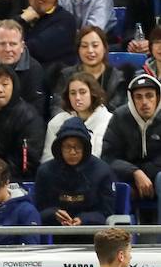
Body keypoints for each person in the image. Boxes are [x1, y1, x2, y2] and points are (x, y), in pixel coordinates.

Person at [35, 115, 115, 227]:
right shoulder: (45, 172)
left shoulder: (102, 171)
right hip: (54, 232)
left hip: (92, 232)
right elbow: (38, 209)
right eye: (67, 147)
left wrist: (84, 219)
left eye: (77, 147)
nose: (72, 152)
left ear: (85, 148)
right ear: (59, 148)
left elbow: (107, 211)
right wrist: (54, 214)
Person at [101, 74, 161, 203]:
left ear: (158, 97)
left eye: (149, 95)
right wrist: (135, 172)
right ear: (131, 100)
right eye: (138, 97)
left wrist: (145, 174)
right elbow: (108, 156)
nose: (144, 102)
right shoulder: (120, 117)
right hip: (129, 176)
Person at [52, 26, 126, 113]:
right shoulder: (66, 75)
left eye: (95, 45)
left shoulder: (117, 78)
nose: (90, 50)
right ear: (78, 49)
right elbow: (57, 107)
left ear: (105, 48)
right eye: (84, 46)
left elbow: (118, 113)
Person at [44, 72, 113, 162]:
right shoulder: (57, 122)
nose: (77, 97)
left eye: (82, 92)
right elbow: (48, 159)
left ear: (93, 93)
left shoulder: (111, 122)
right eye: (73, 93)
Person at [18, 0, 78, 69]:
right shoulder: (23, 15)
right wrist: (22, 20)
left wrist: (8, 46)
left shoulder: (66, 20)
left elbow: (37, 50)